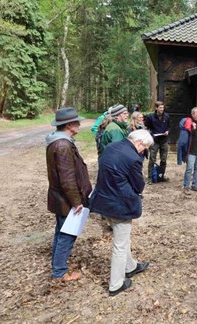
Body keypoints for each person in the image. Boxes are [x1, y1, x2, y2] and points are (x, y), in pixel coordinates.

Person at [89, 130, 154, 296]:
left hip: (103, 201)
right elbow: (139, 186)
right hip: (120, 205)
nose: (143, 152)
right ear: (139, 142)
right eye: (144, 148)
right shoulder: (132, 158)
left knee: (122, 238)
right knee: (120, 245)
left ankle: (130, 266)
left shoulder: (111, 147)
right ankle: (116, 284)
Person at [46, 107, 92, 281]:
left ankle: (59, 264)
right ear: (69, 125)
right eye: (77, 122)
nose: (79, 125)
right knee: (67, 234)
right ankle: (59, 271)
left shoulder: (59, 141)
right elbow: (67, 179)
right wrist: (76, 201)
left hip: (61, 198)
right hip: (67, 199)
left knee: (61, 232)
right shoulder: (63, 145)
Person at [145, 101, 170, 183]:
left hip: (164, 140)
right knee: (152, 159)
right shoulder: (150, 117)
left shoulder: (166, 116)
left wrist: (167, 131)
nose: (162, 109)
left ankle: (161, 176)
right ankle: (150, 178)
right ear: (156, 108)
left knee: (164, 160)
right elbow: (147, 128)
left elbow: (169, 127)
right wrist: (151, 134)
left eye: (163, 108)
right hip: (154, 141)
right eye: (160, 108)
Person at [182, 107, 197, 194]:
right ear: (193, 114)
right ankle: (186, 187)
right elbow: (187, 137)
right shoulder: (189, 123)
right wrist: (193, 128)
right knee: (189, 169)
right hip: (191, 151)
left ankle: (195, 185)